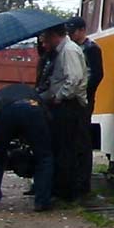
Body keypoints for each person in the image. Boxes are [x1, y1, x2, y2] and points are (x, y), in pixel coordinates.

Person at [0, 83, 53, 212]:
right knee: (44, 158)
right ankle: (42, 202)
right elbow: (47, 118)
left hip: (5, 110)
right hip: (33, 110)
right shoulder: (34, 95)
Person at [39, 23, 89, 200]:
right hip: (67, 103)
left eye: (45, 38)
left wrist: (59, 96)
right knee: (63, 147)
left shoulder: (68, 51)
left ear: (54, 36)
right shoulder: (63, 50)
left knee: (66, 148)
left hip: (69, 105)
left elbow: (74, 79)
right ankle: (62, 188)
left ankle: (66, 190)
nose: (44, 43)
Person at [66, 15, 103, 195]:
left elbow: (97, 74)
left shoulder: (91, 49)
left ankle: (83, 181)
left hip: (84, 98)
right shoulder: (72, 48)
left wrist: (86, 92)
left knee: (82, 138)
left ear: (81, 30)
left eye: (73, 31)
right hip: (74, 97)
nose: (71, 35)